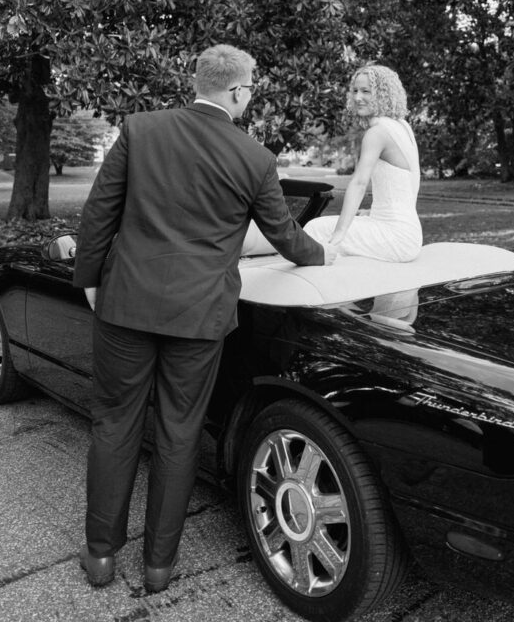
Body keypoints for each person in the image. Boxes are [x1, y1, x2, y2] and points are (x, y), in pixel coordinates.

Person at [72, 44, 336, 594]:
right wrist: (325, 254)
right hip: (199, 315)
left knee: (114, 424)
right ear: (237, 91)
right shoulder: (255, 158)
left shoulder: (140, 130)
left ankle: (100, 556)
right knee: (179, 433)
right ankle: (158, 567)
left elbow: (99, 214)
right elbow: (286, 237)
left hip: (126, 304)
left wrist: (91, 281)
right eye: (251, 90)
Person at [304, 63, 422, 261]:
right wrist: (374, 211)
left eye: (366, 91)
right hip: (409, 232)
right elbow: (410, 183)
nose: (358, 97)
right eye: (355, 90)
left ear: (383, 94)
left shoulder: (376, 133)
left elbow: (359, 183)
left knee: (315, 229)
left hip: (396, 237)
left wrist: (339, 235)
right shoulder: (402, 126)